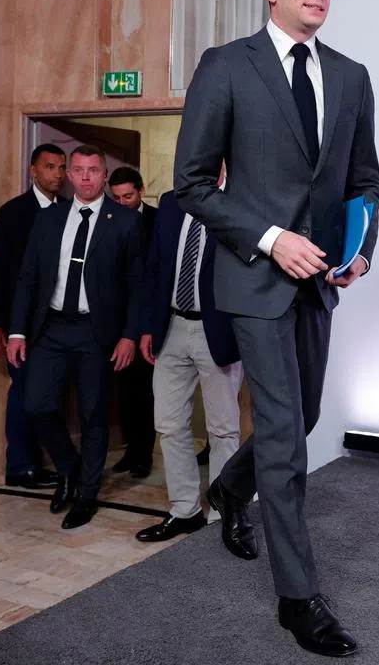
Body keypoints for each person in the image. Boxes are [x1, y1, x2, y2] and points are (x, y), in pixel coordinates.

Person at [174, 0, 379, 658]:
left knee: (306, 417)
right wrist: (269, 237)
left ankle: (232, 487)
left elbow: (363, 182)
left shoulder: (351, 77)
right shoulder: (227, 67)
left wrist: (358, 252)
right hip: (256, 281)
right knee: (289, 438)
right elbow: (192, 186)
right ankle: (300, 600)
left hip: (318, 284)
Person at [7, 145, 144, 530]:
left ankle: (86, 495)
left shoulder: (125, 222)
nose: (85, 177)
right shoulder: (49, 219)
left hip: (96, 332)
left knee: (93, 413)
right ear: (70, 175)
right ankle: (69, 468)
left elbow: (138, 286)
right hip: (50, 328)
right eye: (79, 170)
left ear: (104, 175)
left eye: (94, 170)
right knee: (35, 404)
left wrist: (129, 335)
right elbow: (28, 277)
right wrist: (17, 330)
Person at [135, 170, 243, 543]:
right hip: (170, 328)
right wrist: (148, 325)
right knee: (168, 424)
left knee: (223, 429)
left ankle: (222, 515)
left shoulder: (241, 201)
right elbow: (155, 267)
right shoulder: (170, 201)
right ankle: (185, 511)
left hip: (219, 333)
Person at [0, 143, 67, 490]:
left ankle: (47, 460)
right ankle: (20, 465)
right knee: (24, 392)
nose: (57, 175)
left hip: (59, 323)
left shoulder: (69, 211)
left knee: (49, 395)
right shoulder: (14, 212)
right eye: (50, 167)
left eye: (61, 167)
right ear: (33, 170)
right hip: (22, 325)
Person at [108, 166, 158, 477]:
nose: (123, 202)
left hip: (150, 320)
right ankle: (130, 451)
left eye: (128, 195)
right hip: (117, 321)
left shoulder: (158, 219)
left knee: (147, 393)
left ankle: (143, 456)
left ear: (140, 191)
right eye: (116, 197)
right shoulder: (108, 220)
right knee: (123, 392)